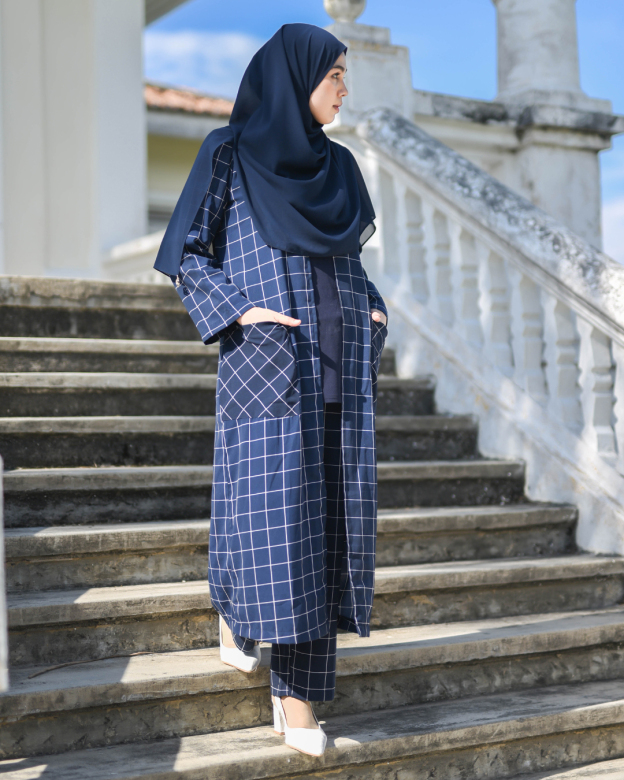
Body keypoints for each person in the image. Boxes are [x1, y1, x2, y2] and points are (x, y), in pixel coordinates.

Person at [153, 23, 388, 758]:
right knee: (277, 528)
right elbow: (188, 254)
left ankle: (289, 679)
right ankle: (292, 697)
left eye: (345, 75)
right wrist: (237, 314)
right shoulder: (228, 152)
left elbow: (347, 261)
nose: (345, 89)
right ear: (296, 78)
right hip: (268, 359)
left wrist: (374, 311)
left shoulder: (339, 166)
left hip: (339, 363)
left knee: (324, 532)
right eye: (334, 75)